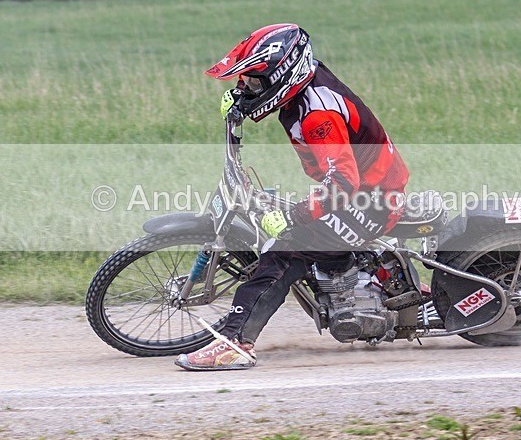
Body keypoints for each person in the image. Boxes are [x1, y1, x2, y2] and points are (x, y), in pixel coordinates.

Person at [175, 24, 410, 371]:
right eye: (244, 81)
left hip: (371, 200)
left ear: (283, 76)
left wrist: (295, 216)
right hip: (364, 188)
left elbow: (343, 183)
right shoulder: (302, 84)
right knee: (290, 226)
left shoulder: (318, 115)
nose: (247, 88)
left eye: (254, 82)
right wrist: (239, 105)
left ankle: (236, 344)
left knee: (282, 250)